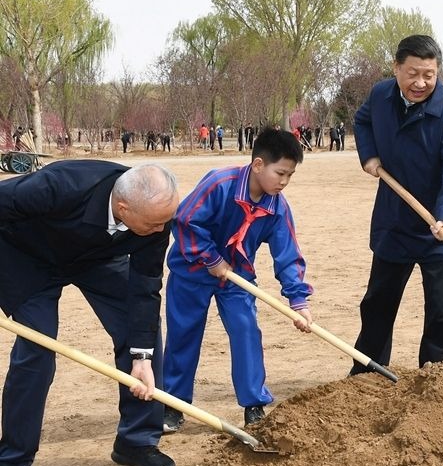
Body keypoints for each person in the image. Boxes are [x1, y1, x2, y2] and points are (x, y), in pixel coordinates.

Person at [0, 162, 180, 466]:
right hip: (26, 258)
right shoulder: (60, 185)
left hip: (96, 258)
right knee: (38, 349)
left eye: (165, 222)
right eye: (154, 224)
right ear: (123, 208)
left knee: (142, 330)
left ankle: (136, 442)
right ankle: (13, 456)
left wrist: (142, 358)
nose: (161, 230)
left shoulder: (156, 217)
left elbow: (145, 286)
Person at [161, 128, 314, 433]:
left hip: (237, 276)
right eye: (280, 173)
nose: (284, 182)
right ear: (258, 165)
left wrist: (299, 300)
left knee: (246, 331)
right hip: (191, 271)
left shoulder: (277, 206)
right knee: (183, 334)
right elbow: (185, 221)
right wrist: (211, 258)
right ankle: (174, 404)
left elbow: (287, 254)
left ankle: (254, 404)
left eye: (290, 176)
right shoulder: (220, 183)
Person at [349, 34, 443, 375]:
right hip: (395, 220)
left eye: (429, 75)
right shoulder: (380, 96)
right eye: (413, 73)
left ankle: (437, 375)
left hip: (440, 227)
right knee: (378, 302)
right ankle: (368, 371)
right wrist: (369, 155)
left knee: (440, 309)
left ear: (438, 73)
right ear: (397, 68)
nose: (421, 82)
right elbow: (362, 122)